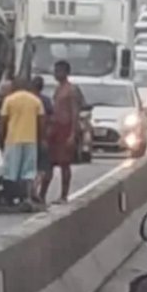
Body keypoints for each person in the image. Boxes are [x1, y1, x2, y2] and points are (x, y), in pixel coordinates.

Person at [0, 77, 45, 211]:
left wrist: (0, 139)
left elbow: (3, 122)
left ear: (15, 86)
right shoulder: (36, 101)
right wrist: (40, 139)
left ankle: (9, 198)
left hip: (13, 140)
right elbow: (41, 122)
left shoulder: (9, 100)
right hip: (30, 140)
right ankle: (26, 198)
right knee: (28, 172)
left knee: (10, 171)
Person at [43, 60, 83, 204]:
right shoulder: (58, 89)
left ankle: (64, 195)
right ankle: (42, 195)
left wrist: (73, 134)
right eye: (55, 71)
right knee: (49, 162)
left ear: (66, 72)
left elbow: (75, 112)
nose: (55, 74)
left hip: (66, 128)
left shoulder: (71, 90)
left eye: (58, 71)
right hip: (56, 128)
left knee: (64, 163)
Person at [30, 76, 54, 204]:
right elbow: (50, 119)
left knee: (29, 167)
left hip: (27, 136)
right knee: (43, 167)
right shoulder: (45, 101)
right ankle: (37, 191)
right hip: (41, 137)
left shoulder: (28, 100)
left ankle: (30, 192)